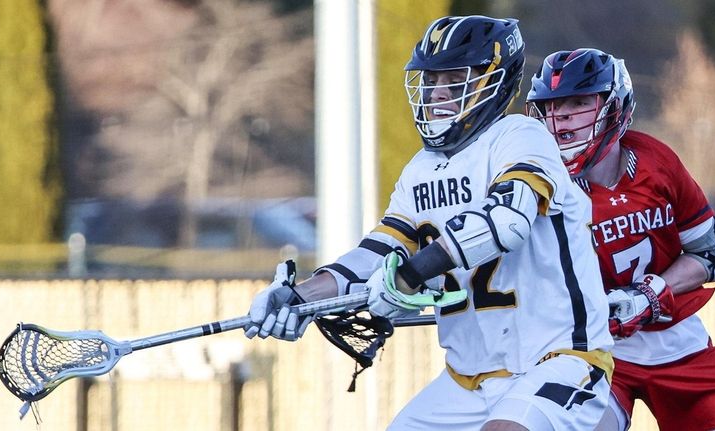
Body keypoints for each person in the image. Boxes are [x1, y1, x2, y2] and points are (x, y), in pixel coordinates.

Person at [245, 16, 614, 431]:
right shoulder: (421, 169)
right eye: (431, 81)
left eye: (453, 81)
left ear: (493, 82)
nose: (436, 95)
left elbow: (506, 223)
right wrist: (301, 296)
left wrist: (407, 277)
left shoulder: (521, 135)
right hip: (467, 381)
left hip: (558, 362)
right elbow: (378, 251)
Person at [525, 48, 715, 431]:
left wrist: (651, 292)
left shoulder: (656, 161)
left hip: (677, 343)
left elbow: (711, 252)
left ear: (615, 107)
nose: (561, 116)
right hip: (589, 349)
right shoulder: (539, 183)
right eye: (552, 105)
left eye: (578, 102)